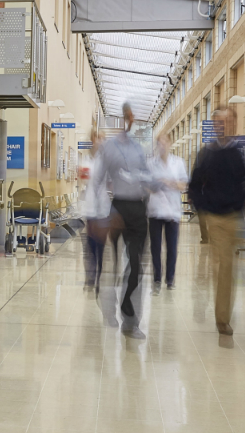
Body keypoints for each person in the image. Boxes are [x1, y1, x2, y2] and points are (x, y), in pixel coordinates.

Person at [187, 108, 245, 336]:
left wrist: (239, 204)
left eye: (229, 121)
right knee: (222, 265)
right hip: (214, 215)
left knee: (229, 267)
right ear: (214, 125)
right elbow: (194, 185)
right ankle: (222, 319)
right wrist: (204, 208)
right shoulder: (207, 153)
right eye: (220, 122)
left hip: (232, 215)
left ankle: (223, 315)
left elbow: (244, 182)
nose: (224, 125)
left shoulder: (236, 153)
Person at [94, 104, 155, 339]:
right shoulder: (109, 147)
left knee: (137, 263)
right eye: (128, 116)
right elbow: (98, 180)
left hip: (138, 208)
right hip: (118, 206)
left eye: (133, 116)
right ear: (123, 118)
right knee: (114, 264)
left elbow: (148, 176)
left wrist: (144, 179)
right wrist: (101, 215)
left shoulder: (139, 149)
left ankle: (129, 313)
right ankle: (109, 308)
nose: (131, 119)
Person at [147, 134, 188, 293]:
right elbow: (146, 185)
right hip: (155, 210)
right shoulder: (150, 164)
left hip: (172, 211)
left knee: (172, 247)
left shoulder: (178, 163)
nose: (162, 145)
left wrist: (168, 182)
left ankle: (170, 278)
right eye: (159, 143)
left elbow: (183, 185)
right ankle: (157, 277)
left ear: (170, 143)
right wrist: (155, 185)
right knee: (155, 247)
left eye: (165, 142)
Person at [79, 130, 109, 290]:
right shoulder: (86, 160)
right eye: (99, 139)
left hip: (103, 210)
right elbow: (83, 179)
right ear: (93, 140)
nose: (101, 142)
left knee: (101, 246)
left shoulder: (107, 161)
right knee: (90, 245)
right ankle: (90, 278)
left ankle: (99, 277)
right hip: (90, 210)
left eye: (103, 139)